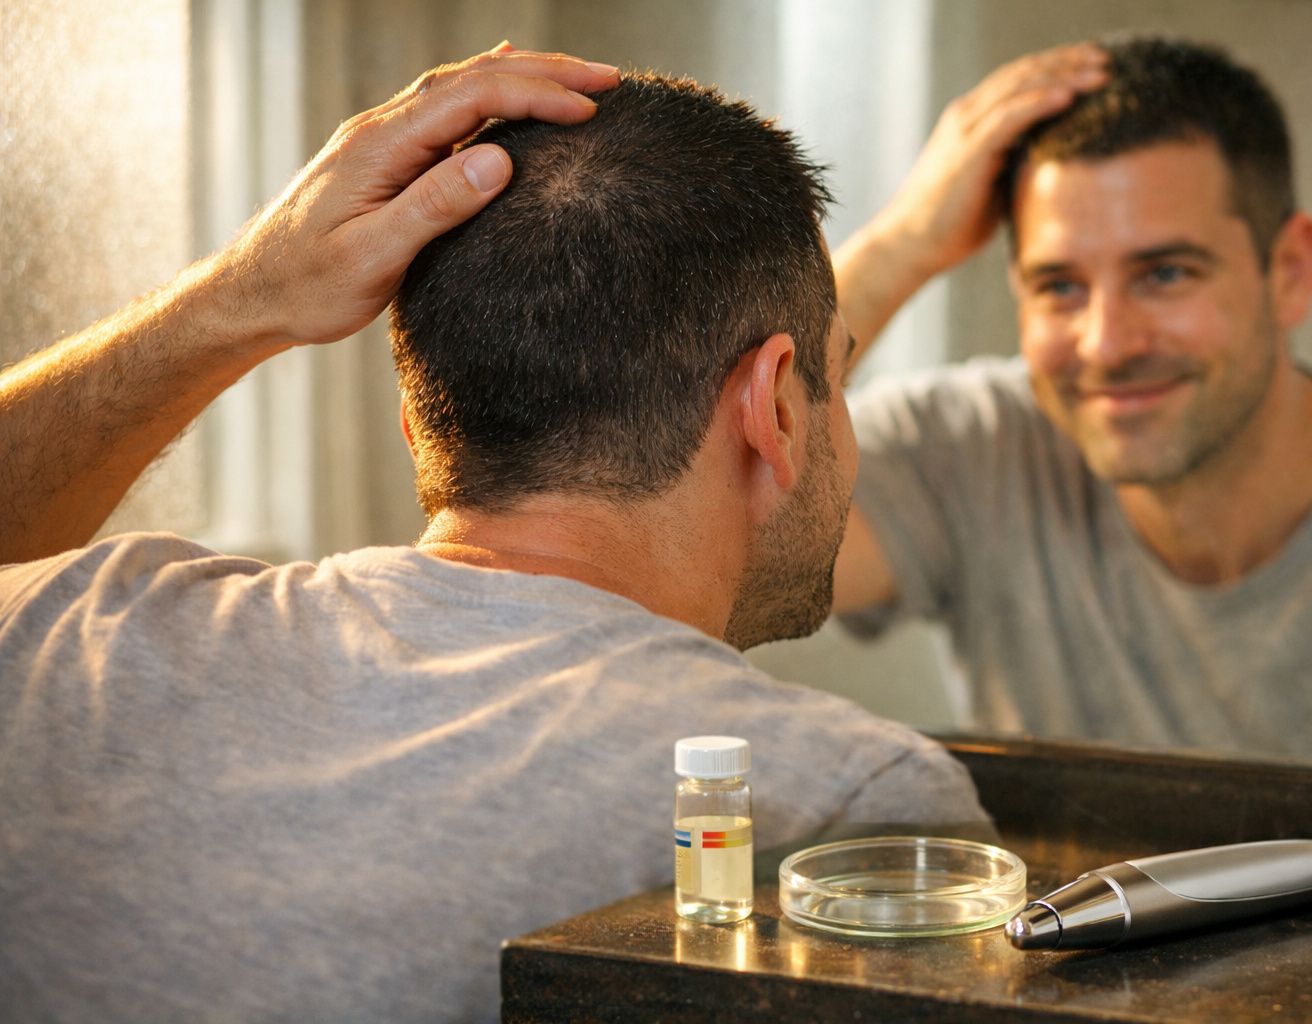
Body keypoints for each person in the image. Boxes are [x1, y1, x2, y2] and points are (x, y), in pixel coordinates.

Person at [0, 48, 985, 1023]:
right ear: (774, 404)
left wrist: (234, 299)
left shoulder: (61, 633)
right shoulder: (834, 809)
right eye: (836, 381)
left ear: (417, 420)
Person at [831, 36, 1312, 773]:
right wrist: (900, 246)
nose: (1106, 344)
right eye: (1060, 287)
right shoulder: (968, 450)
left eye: (1165, 273)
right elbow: (709, 523)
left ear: (1290, 271)